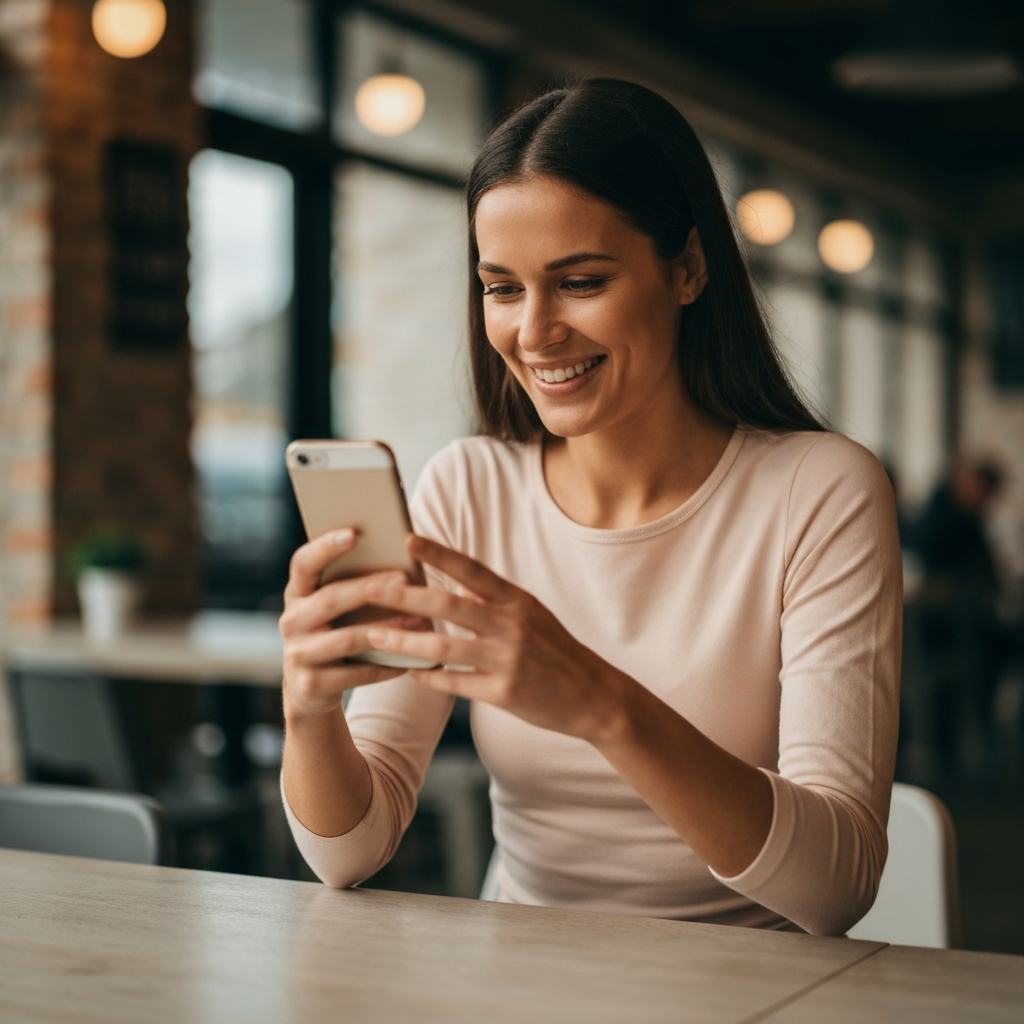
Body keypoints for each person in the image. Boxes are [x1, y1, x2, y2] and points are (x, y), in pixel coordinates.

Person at [279, 79, 902, 937]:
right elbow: (349, 854)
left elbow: (839, 889)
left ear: (686, 269)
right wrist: (309, 712)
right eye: (501, 288)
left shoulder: (820, 491)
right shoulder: (470, 488)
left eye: (578, 281)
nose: (534, 333)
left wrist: (599, 705)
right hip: (529, 984)